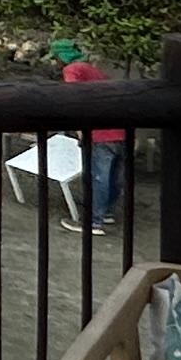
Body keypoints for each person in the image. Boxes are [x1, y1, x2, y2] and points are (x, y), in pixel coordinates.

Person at [56, 39, 126, 231]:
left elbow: (76, 98)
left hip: (100, 132)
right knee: (113, 175)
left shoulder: (72, 70)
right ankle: (108, 212)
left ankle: (93, 221)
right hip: (120, 129)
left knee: (98, 176)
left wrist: (80, 130)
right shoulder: (93, 70)